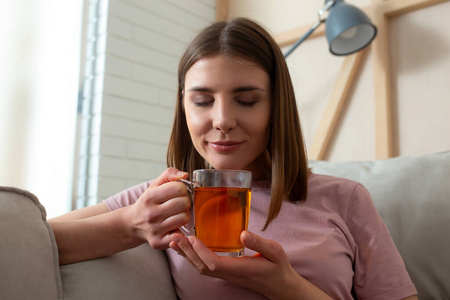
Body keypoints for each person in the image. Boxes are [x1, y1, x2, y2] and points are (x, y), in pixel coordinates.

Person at [49, 18, 418, 300]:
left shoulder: (346, 199)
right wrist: (131, 224)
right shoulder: (164, 201)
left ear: (277, 106)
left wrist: (288, 287)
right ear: (183, 107)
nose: (222, 120)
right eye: (202, 101)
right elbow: (34, 238)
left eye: (247, 100)